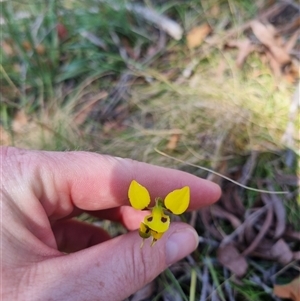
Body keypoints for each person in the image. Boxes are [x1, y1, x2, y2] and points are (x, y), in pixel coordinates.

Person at [1, 146, 221, 300]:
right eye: (157, 214)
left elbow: (174, 200)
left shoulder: (166, 204)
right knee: (151, 238)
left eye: (159, 214)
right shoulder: (148, 203)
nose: (156, 215)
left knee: (153, 236)